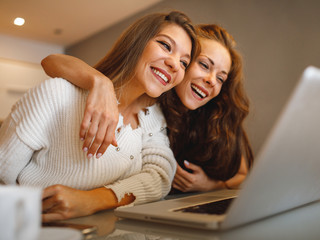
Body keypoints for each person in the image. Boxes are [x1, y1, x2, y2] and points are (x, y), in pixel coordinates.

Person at [0, 11, 198, 222]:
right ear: (138, 42)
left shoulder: (153, 118)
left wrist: (92, 200)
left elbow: (159, 178)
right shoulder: (57, 94)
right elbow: (2, 176)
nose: (175, 64)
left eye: (184, 63)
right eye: (166, 46)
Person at [41, 24, 253, 193]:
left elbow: (243, 173)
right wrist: (100, 83)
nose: (211, 81)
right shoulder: (149, 100)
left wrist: (210, 185)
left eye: (221, 78)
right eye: (204, 65)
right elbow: (51, 60)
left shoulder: (216, 117)